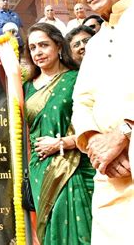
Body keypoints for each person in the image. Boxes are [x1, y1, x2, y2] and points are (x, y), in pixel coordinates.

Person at [72, 0, 133, 245]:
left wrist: (125, 132)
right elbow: (82, 101)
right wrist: (95, 141)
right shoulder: (94, 44)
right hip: (110, 170)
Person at [23, 22, 95, 244]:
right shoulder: (27, 86)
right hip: (40, 167)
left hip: (74, 164)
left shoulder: (78, 78)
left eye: (43, 45)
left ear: (58, 45)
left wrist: (63, 143)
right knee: (49, 230)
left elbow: (96, 121)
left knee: (80, 228)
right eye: (33, 47)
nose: (38, 52)